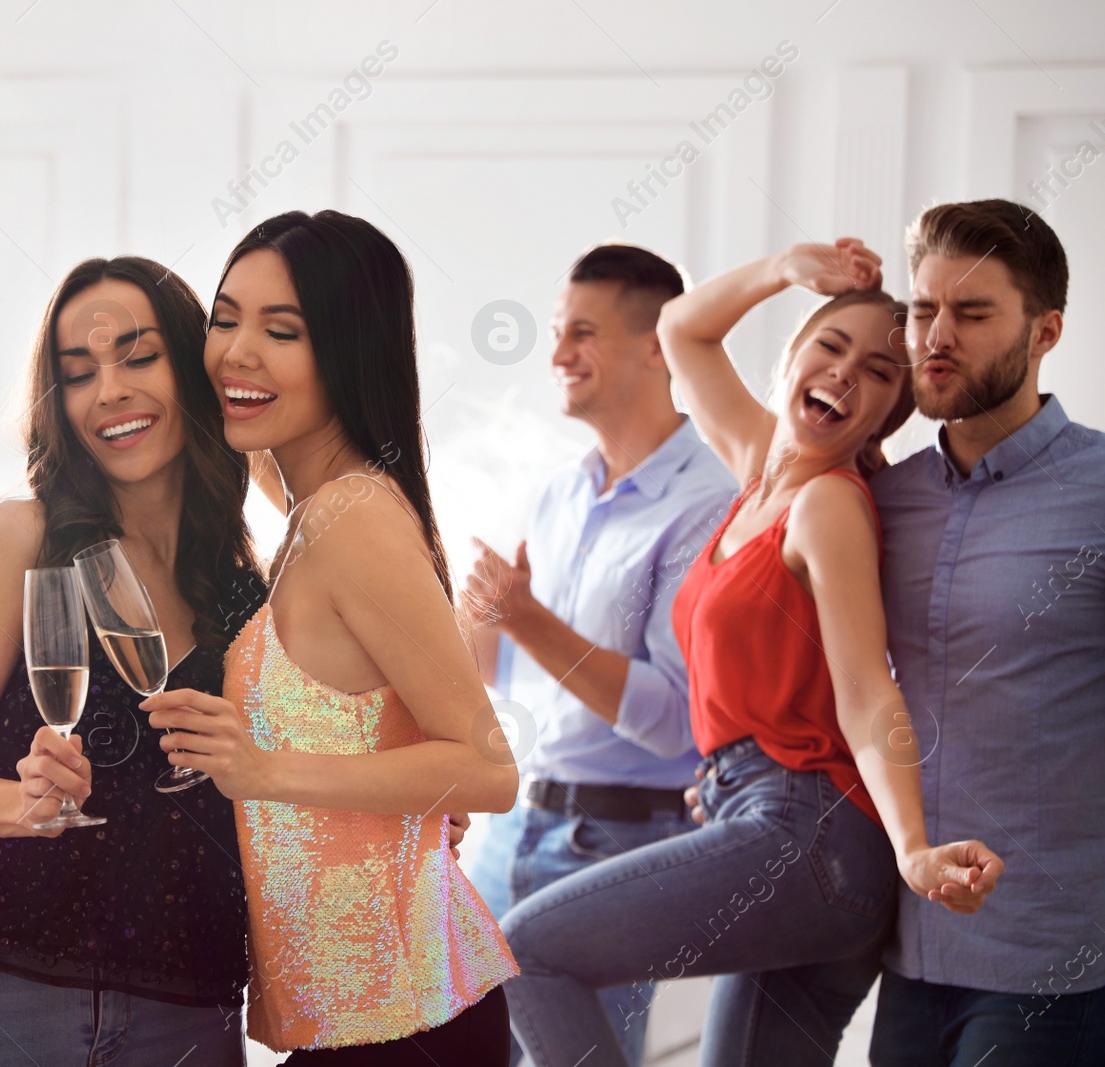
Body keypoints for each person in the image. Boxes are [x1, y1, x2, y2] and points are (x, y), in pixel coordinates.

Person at [499, 237, 1005, 1067]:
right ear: (794, 355)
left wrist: (913, 845)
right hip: (765, 821)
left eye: (880, 374)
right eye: (831, 347)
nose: (846, 376)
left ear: (889, 412)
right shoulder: (758, 466)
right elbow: (681, 329)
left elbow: (866, 691)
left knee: (526, 949)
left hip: (810, 836)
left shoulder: (826, 508)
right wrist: (788, 267)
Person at [140, 209, 520, 1066]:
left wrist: (265, 770)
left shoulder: (353, 517)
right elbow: (228, 441)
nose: (238, 350)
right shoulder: (315, 508)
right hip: (358, 1021)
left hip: (406, 1023)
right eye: (225, 318)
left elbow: (490, 768)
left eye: (282, 330)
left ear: (348, 350)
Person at [0, 257, 264, 1067]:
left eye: (139, 357)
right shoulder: (24, 538)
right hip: (1, 990)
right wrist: (22, 803)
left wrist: (412, 813)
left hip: (187, 1005)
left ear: (192, 365)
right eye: (78, 373)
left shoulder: (248, 588)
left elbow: (279, 785)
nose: (110, 392)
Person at [465, 243, 737, 1066]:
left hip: (620, 844)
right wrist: (469, 608)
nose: (555, 355)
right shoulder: (556, 493)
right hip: (513, 829)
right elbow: (511, 674)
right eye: (556, 332)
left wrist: (523, 615)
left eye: (581, 333)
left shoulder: (712, 500)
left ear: (658, 345)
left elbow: (676, 718)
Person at [867, 199, 1105, 1064]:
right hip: (911, 949)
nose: (937, 336)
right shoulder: (884, 500)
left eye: (971, 314)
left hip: (1053, 963)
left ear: (1045, 332)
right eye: (924, 310)